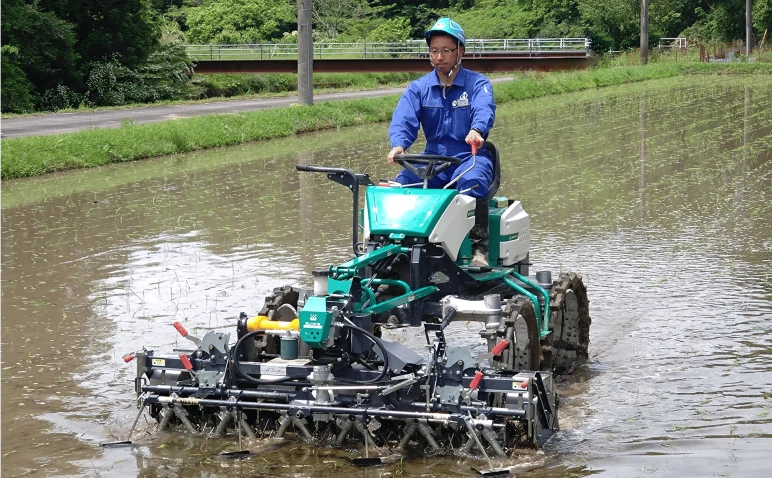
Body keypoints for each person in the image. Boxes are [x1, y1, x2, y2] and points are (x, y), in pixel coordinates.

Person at [386, 17, 496, 267]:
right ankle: (400, 254)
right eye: (434, 51)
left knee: (472, 182)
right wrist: (399, 145)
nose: (439, 57)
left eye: (446, 50)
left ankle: (479, 250)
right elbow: (404, 118)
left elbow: (484, 109)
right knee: (402, 187)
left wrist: (477, 130)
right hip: (433, 158)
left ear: (460, 52)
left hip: (468, 156)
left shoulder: (478, 84)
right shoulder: (419, 88)